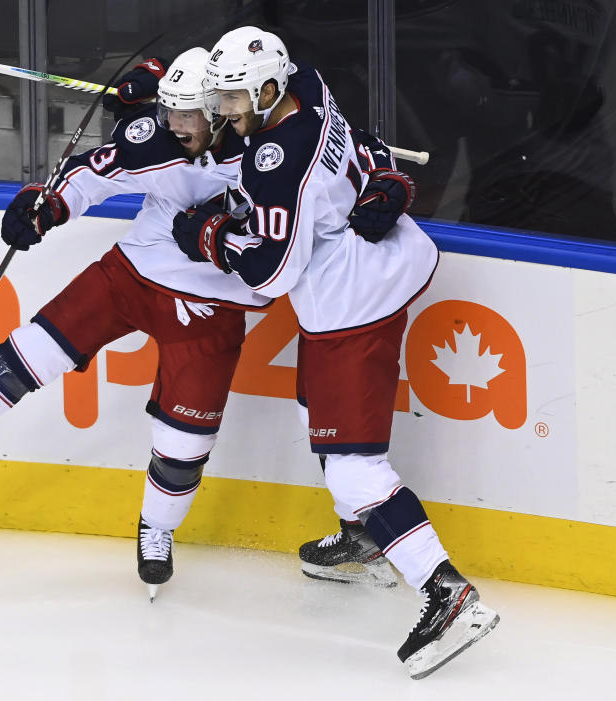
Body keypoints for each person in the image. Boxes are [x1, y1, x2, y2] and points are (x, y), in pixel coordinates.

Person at [171, 26, 498, 679]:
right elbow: (366, 146)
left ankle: (448, 592)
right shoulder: (309, 82)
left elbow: (271, 274)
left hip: (354, 304)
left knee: (352, 466)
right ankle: (363, 539)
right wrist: (383, 178)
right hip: (372, 270)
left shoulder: (275, 162)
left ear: (267, 88)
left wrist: (212, 237)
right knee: (309, 408)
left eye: (235, 97)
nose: (228, 109)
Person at [0, 48, 265, 600]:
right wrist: (45, 207)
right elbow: (90, 175)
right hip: (135, 272)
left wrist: (381, 178)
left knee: (185, 441)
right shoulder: (155, 140)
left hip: (217, 303)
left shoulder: (271, 147)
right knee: (38, 347)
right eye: (170, 111)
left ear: (224, 109)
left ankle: (156, 530)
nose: (176, 125)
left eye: (189, 114)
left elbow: (335, 155)